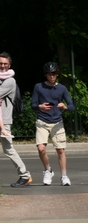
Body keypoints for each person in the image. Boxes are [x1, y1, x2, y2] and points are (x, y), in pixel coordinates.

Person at [31, 61, 75, 186]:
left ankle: (64, 176)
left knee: (60, 150)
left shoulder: (62, 88)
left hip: (57, 122)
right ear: (45, 74)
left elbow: (71, 106)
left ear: (57, 74)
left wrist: (64, 107)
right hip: (42, 121)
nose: (52, 76)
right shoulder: (38, 87)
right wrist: (40, 106)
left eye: (54, 74)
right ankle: (48, 170)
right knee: (41, 148)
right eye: (49, 74)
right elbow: (33, 105)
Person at [0, 51, 32, 187]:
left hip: (4, 121)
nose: (2, 66)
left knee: (8, 149)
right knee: (8, 149)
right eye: (0, 63)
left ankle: (25, 175)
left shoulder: (10, 81)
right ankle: (25, 175)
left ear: (10, 65)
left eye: (5, 64)